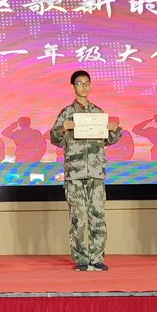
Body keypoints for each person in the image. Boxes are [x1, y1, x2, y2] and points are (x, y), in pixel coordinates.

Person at [48, 70, 123, 271]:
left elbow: (109, 140)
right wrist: (62, 129)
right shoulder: (66, 113)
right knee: (78, 217)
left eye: (87, 83)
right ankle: (81, 258)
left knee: (98, 215)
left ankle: (97, 257)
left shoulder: (98, 113)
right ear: (73, 87)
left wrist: (114, 129)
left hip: (96, 172)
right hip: (75, 172)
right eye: (80, 83)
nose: (84, 87)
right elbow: (54, 138)